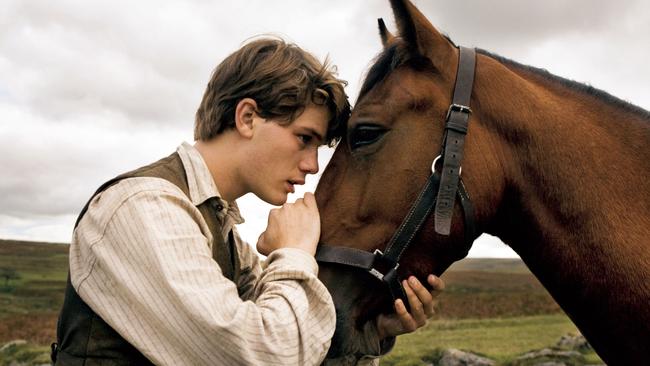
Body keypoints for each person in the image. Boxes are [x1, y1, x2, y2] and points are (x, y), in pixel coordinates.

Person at [51, 37, 445, 365]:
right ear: (247, 117)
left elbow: (293, 337)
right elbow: (264, 355)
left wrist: (370, 331)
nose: (312, 166)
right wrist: (294, 254)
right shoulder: (141, 208)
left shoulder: (220, 231)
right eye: (304, 138)